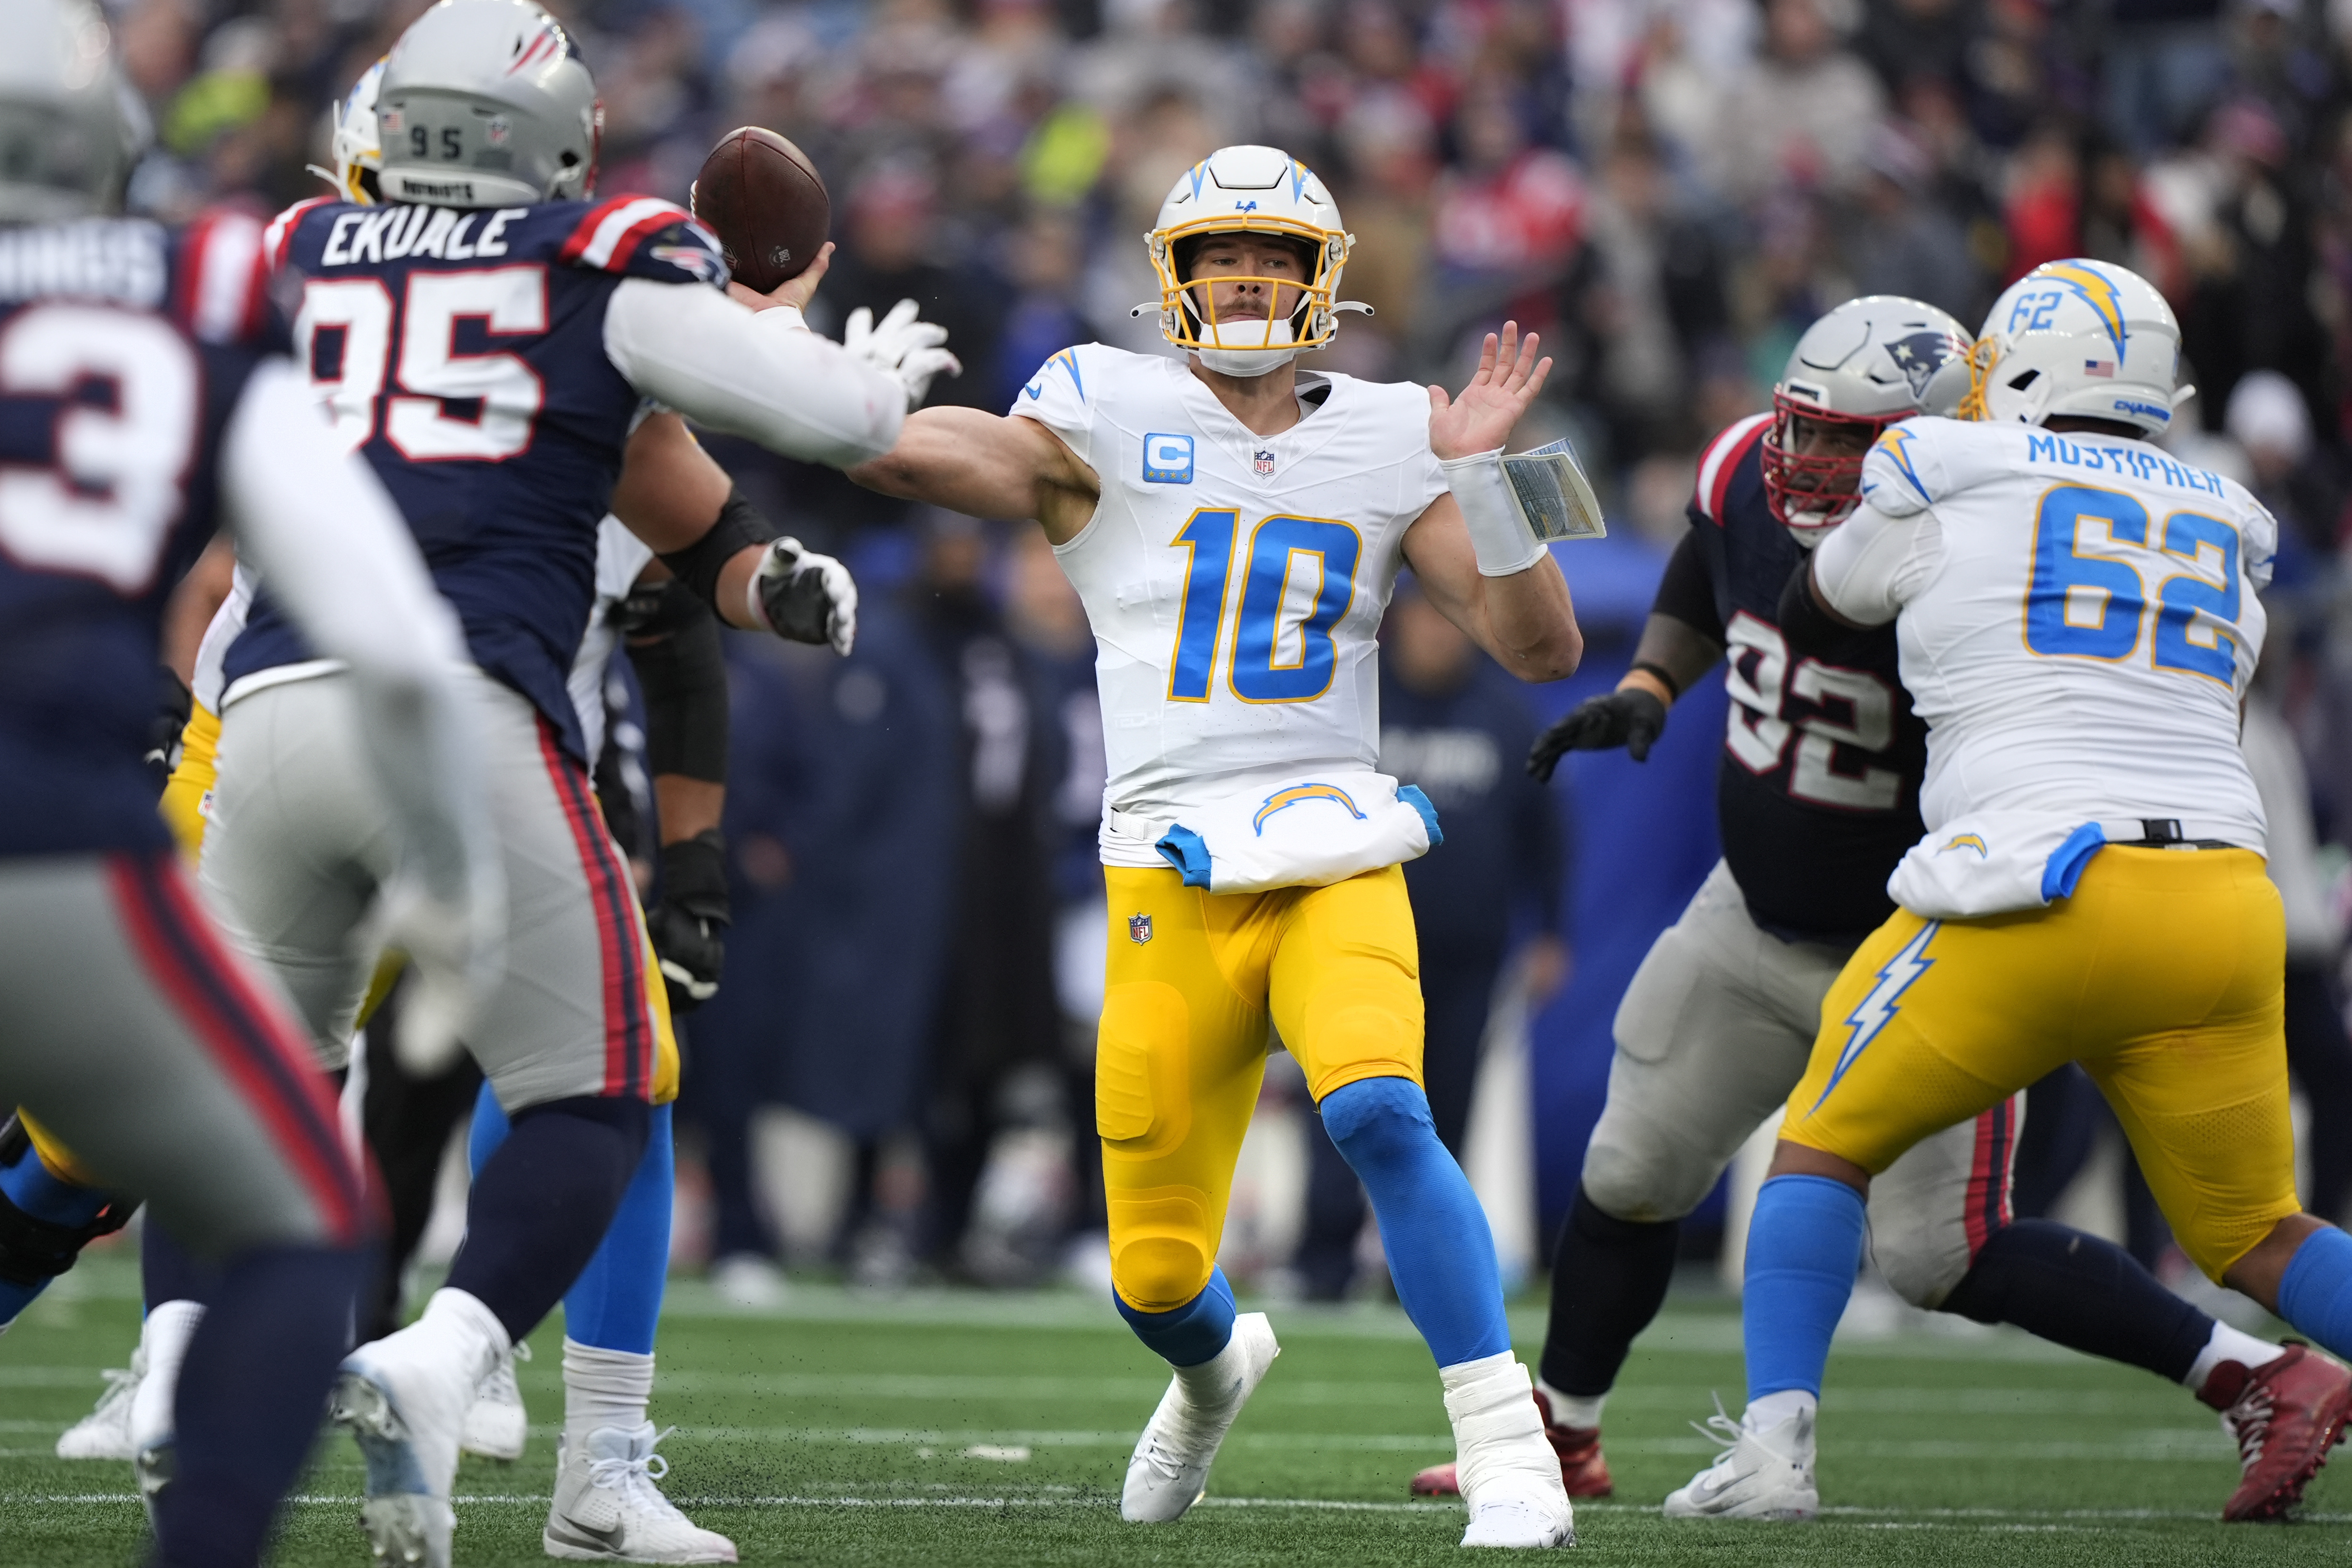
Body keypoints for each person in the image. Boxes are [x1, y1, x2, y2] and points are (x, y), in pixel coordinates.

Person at [194, 4, 955, 1563]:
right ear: (560, 135)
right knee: (604, 1082)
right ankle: (452, 1354)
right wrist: (833, 355)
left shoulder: (286, 251)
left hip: (257, 713)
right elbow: (830, 420)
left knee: (234, 1108)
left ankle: (179, 1397)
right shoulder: (598, 254)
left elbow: (701, 561)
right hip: (460, 707)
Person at [1416, 295, 2350, 1521]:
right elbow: (1712, 548)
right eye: (1799, 429)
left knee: (1933, 1253)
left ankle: (2236, 1371)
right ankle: (1567, 1432)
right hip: (1757, 906)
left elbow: (1853, 604)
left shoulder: (1967, 519)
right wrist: (1653, 677)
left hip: (1936, 927)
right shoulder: (1756, 468)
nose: (1804, 463)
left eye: (1848, 443)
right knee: (1631, 1163)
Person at [850, 142, 1585, 1548]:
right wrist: (833, 398)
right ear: (1171, 281)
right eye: (1216, 258)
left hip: (1331, 842)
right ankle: (1208, 1374)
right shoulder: (1098, 402)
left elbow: (1541, 645)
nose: (1243, 279)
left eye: (1272, 258)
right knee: (1152, 1275)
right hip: (1167, 867)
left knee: (1376, 1107)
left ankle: (1508, 1445)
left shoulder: (1387, 427)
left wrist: (1488, 476)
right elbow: (920, 454)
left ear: (1324, 283)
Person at [0, 0, 502, 1561]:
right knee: (298, 1217)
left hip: (150, 798)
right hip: (61, 837)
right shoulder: (198, 289)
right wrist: (450, 862)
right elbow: (399, 643)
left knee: (75, 1164)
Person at [1293, 574, 1568, 1301]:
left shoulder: (1506, 715)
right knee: (1340, 1101)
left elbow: (1548, 833)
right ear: (1396, 623)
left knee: (1444, 1112)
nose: (1437, 633)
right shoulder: (1352, 709)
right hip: (1353, 950)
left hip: (1464, 952)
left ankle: (1412, 1275)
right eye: (1424, 617)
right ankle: (1320, 1260)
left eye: (1449, 619)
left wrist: (1551, 932)